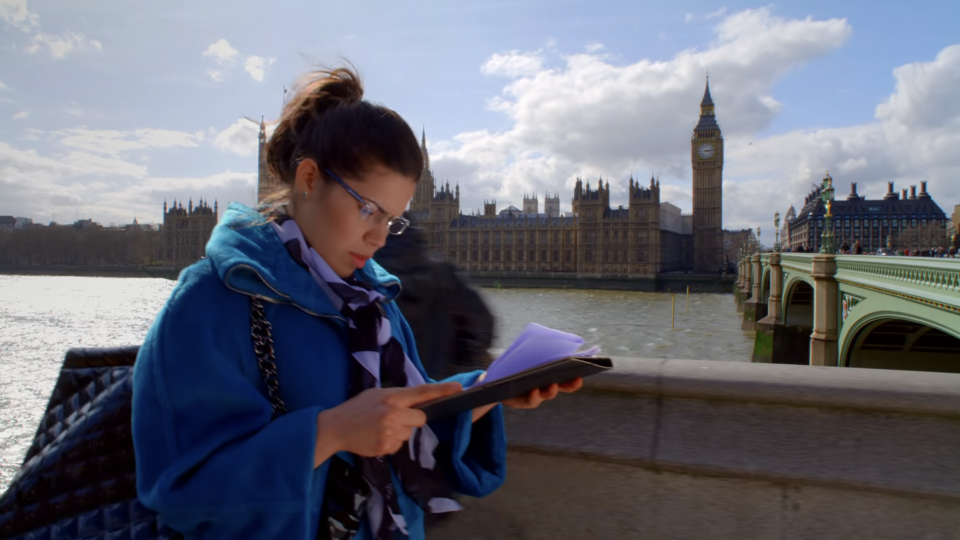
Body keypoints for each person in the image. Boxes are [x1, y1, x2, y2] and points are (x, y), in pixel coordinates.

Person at [131, 67, 581, 540]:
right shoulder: (210, 301)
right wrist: (330, 432)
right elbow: (181, 490)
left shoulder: (373, 302)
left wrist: (488, 392)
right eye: (368, 209)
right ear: (308, 178)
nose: (379, 236)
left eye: (394, 220)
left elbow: (406, 429)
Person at [374, 213, 495, 380]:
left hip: (384, 388)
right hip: (438, 380)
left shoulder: (367, 275)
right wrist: (465, 365)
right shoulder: (442, 271)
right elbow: (482, 324)